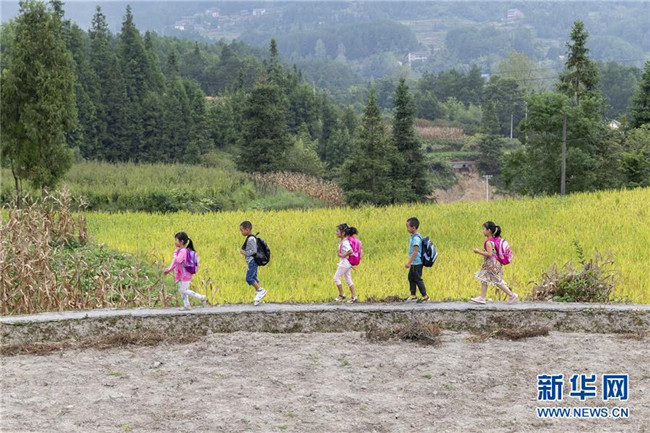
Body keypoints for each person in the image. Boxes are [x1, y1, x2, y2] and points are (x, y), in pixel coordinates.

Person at [470, 221, 519, 304]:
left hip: (491, 264)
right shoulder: (494, 240)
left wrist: (478, 251)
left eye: (484, 229)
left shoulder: (488, 242)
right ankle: (482, 297)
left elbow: (490, 254)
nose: (482, 231)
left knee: (496, 281)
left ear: (489, 230)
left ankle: (511, 295)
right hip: (495, 263)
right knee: (485, 279)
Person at [164, 232, 207, 309]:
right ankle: (187, 305)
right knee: (182, 290)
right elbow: (174, 263)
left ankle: (202, 297)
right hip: (181, 274)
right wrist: (168, 270)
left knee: (183, 290)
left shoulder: (183, 251)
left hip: (186, 274)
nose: (175, 242)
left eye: (176, 240)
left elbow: (178, 260)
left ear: (181, 241)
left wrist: (175, 254)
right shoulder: (179, 251)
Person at [239, 221, 267, 306]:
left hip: (252, 261)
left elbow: (254, 251)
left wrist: (245, 253)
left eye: (242, 230)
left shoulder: (251, 239)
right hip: (252, 261)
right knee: (254, 277)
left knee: (249, 278)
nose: (241, 232)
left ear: (247, 230)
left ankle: (261, 290)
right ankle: (259, 295)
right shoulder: (250, 238)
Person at [405, 217, 429, 303]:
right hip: (414, 263)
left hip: (417, 262)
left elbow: (415, 252)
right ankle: (413, 295)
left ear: (413, 228)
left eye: (408, 227)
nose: (407, 229)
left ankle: (425, 296)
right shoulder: (414, 237)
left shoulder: (416, 239)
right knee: (411, 277)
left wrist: (409, 263)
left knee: (418, 279)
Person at [333, 223, 359, 303]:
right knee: (348, 279)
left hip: (344, 263)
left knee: (336, 278)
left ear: (343, 233)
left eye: (338, 231)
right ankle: (354, 297)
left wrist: (343, 255)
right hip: (346, 263)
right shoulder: (343, 241)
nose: (336, 233)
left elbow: (350, 251)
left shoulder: (345, 242)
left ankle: (341, 295)